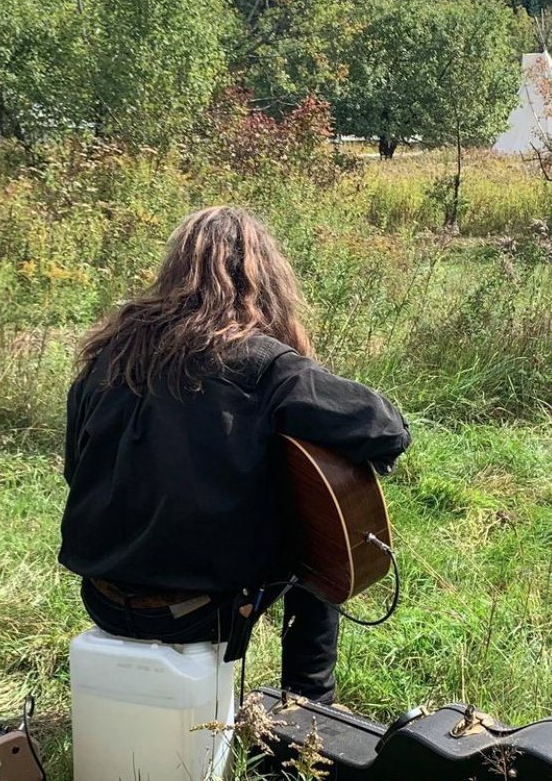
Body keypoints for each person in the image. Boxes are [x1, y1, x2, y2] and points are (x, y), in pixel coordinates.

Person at [60, 206, 410, 706]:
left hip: (103, 598)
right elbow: (387, 430)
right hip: (197, 610)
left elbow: (77, 471)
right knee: (319, 545)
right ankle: (308, 707)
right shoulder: (262, 364)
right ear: (263, 279)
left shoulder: (107, 356)